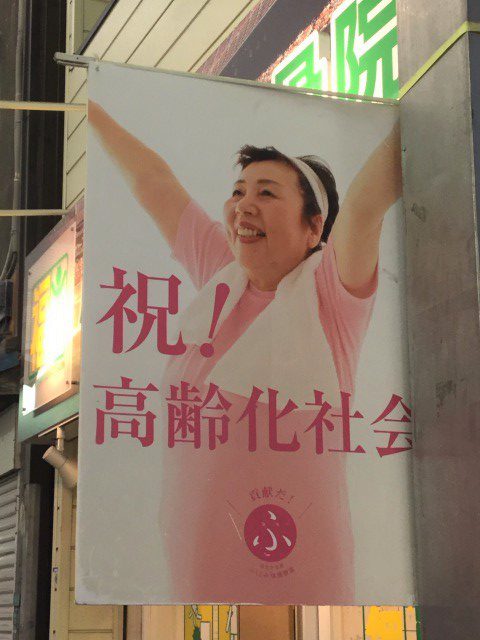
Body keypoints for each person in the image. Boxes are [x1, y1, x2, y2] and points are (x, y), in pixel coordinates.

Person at [89, 100, 401, 603]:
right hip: (196, 563)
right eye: (238, 192)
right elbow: (153, 181)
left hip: (301, 573)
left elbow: (366, 201)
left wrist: (436, 96)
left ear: (314, 227)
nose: (243, 205)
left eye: (267, 192)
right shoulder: (223, 274)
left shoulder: (332, 292)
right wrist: (91, 104)